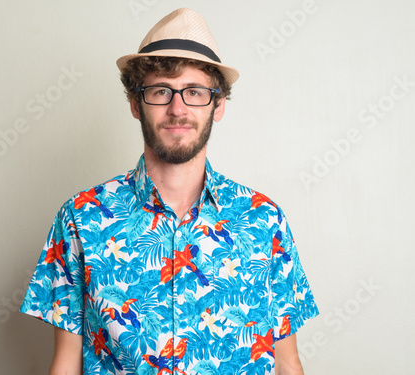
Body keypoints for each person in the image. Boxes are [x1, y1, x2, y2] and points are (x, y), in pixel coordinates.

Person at [20, 8, 319, 375]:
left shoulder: (265, 220)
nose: (178, 108)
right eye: (161, 91)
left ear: (218, 105)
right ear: (135, 103)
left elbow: (287, 363)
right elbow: (66, 365)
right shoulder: (81, 218)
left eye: (194, 92)